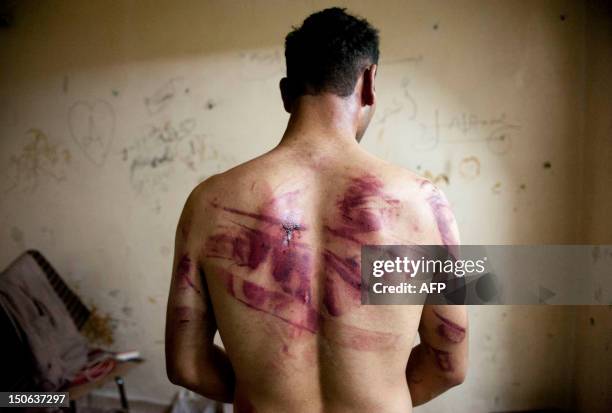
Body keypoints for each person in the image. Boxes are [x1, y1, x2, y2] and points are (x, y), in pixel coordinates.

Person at [165, 7, 467, 412]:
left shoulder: (209, 202)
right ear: (370, 82)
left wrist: (263, 391)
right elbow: (450, 364)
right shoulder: (424, 204)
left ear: (287, 92)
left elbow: (186, 365)